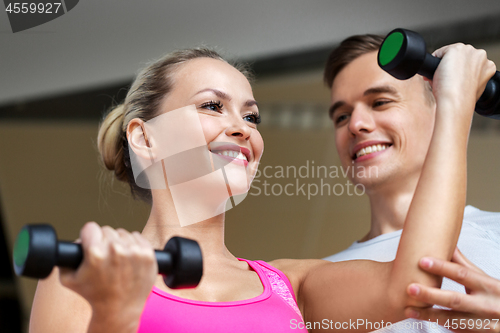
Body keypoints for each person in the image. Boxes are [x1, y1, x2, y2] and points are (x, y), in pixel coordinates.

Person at [29, 44, 494, 333]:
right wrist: (113, 315)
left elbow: (414, 283)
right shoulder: (80, 274)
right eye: (212, 106)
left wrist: (453, 104)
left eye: (251, 117)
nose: (241, 129)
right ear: (144, 137)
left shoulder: (291, 287)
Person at [323, 34, 500, 332]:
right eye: (342, 116)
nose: (355, 125)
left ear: (438, 108)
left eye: (379, 102)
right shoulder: (318, 282)